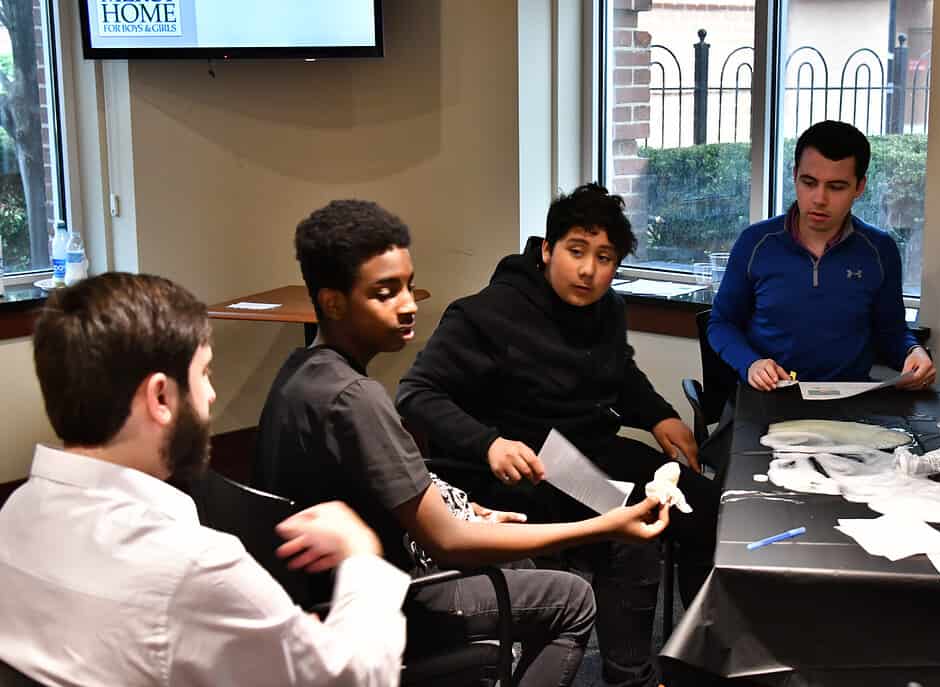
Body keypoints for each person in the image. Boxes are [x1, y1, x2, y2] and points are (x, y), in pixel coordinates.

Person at [253, 199, 671, 687]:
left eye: (408, 286)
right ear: (332, 302)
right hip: (382, 597)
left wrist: (463, 505)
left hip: (330, 586)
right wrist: (604, 527)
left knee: (530, 559)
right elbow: (448, 541)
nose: (409, 305)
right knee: (573, 598)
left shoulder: (303, 371)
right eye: (385, 293)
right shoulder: (356, 398)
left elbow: (386, 486)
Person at [0, 272, 410, 687]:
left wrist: (273, 636)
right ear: (161, 397)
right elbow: (355, 679)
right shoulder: (195, 568)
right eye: (205, 374)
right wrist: (363, 557)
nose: (211, 395)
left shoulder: (15, 515)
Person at [396, 183, 718, 687]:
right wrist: (489, 443)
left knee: (706, 505)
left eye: (604, 257)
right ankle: (628, 677)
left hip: (588, 451)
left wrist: (659, 415)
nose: (588, 270)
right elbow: (415, 393)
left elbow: (620, 373)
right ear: (546, 250)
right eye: (575, 251)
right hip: (521, 468)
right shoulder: (485, 313)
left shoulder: (606, 307)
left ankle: (704, 660)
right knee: (628, 531)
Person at [707, 120, 936, 391]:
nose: (819, 198)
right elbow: (721, 324)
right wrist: (751, 364)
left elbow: (892, 334)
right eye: (809, 182)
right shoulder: (756, 243)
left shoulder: (879, 250)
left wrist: (913, 352)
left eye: (836, 187)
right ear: (795, 176)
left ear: (859, 187)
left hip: (850, 401)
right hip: (770, 397)